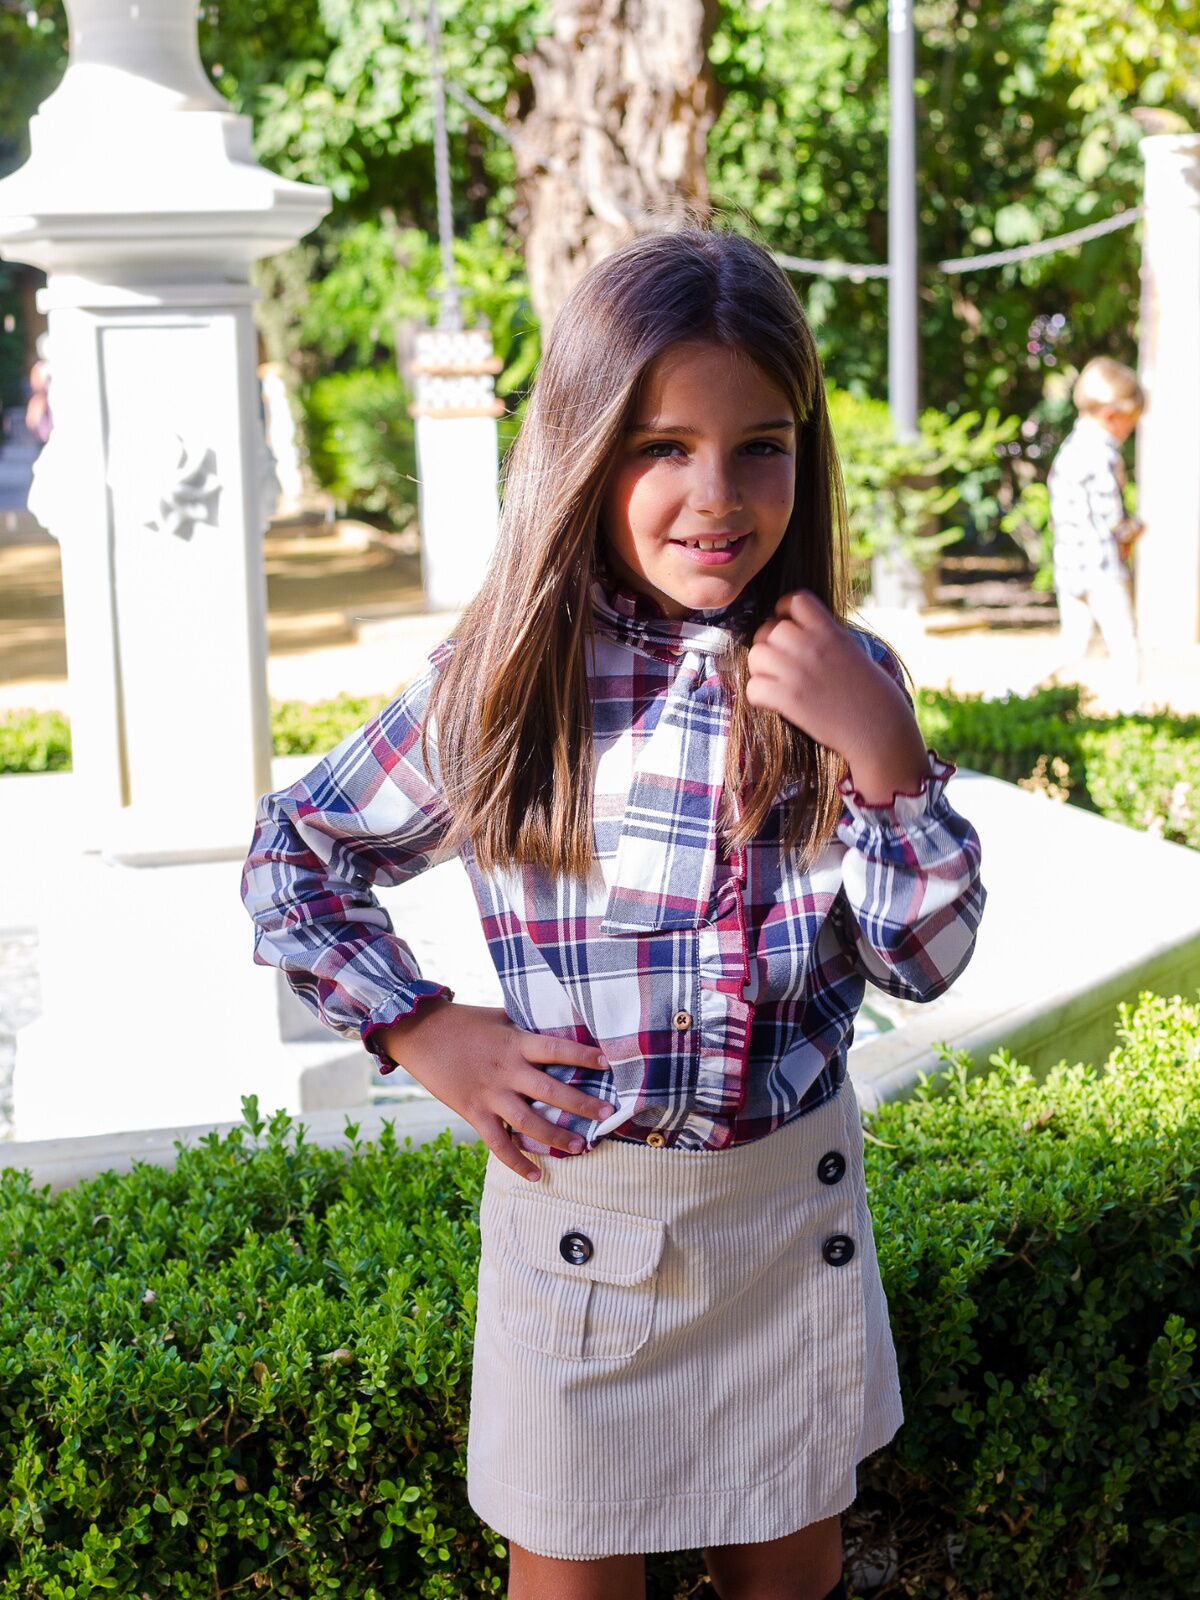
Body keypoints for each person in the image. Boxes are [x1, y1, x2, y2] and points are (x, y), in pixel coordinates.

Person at [241, 227, 985, 1600]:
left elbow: (924, 960)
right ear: (587, 452)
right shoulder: (510, 682)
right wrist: (420, 1029)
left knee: (790, 1576)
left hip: (787, 1226)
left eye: (761, 444)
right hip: (586, 1244)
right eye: (662, 447)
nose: (718, 494)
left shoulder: (841, 677)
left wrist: (885, 760)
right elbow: (293, 857)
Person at [1046, 355, 1145, 712]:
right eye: (1130, 424)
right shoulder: (1103, 453)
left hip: (1070, 563)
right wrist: (1135, 530)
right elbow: (1111, 516)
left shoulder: (1069, 449)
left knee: (1072, 645)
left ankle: (1013, 693)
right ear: (1111, 415)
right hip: (1101, 567)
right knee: (1125, 645)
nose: (1129, 432)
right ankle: (1133, 715)